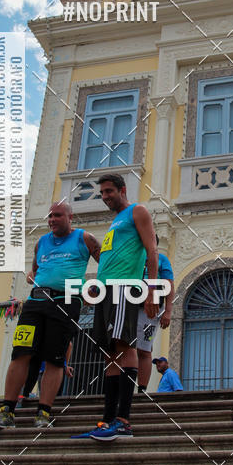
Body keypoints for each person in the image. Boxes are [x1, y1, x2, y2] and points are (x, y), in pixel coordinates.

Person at [0, 202, 100, 430]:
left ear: (70, 217)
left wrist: (97, 287)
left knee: (55, 359)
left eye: (57, 216)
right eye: (50, 216)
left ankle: (43, 414)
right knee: (20, 353)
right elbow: (34, 270)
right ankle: (7, 411)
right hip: (36, 301)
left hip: (67, 300)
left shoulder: (84, 238)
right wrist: (32, 275)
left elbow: (106, 263)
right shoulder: (41, 242)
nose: (52, 220)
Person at [72, 174, 159, 441]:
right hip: (106, 292)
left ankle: (123, 421)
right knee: (110, 354)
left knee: (125, 347)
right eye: (102, 193)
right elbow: (107, 262)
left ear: (122, 190)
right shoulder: (115, 223)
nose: (105, 196)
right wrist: (96, 288)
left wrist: (152, 291)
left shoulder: (138, 211)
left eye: (109, 191)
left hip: (125, 288)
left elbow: (152, 249)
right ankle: (107, 420)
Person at [137, 236, 175, 394]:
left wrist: (168, 311)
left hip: (152, 310)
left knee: (144, 349)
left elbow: (169, 284)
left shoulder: (162, 259)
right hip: (131, 303)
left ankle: (142, 389)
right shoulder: (134, 257)